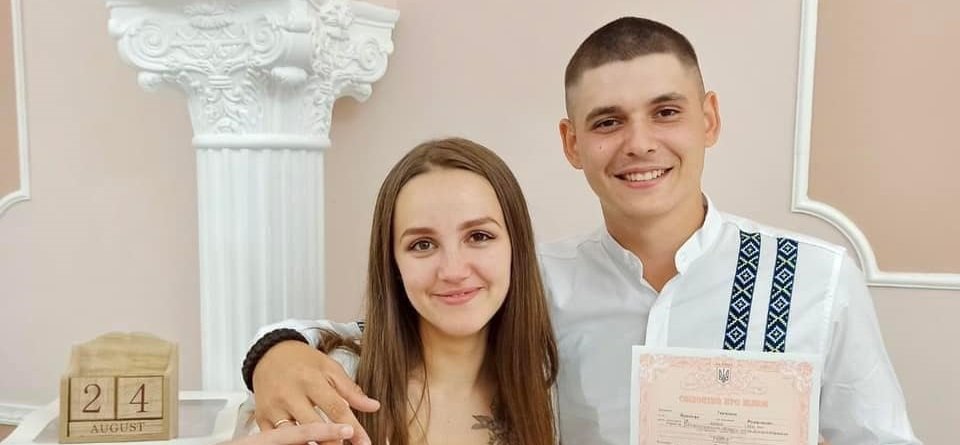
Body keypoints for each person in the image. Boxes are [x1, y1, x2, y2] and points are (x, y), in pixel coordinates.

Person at [241, 17, 921, 444]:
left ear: (708, 119)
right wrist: (274, 352)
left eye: (666, 112)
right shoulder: (532, 282)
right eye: (607, 122)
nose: (639, 143)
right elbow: (385, 330)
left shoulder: (817, 278)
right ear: (572, 143)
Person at [240, 138, 558, 445]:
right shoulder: (329, 385)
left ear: (517, 247)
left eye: (479, 236)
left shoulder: (550, 386)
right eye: (422, 244)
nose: (453, 270)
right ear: (393, 263)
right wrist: (272, 351)